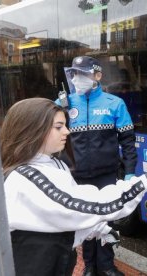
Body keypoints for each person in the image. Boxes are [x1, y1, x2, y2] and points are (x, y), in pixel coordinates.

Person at [0, 98, 147, 276]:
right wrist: (142, 183)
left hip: (52, 263)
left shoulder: (53, 163)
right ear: (33, 129)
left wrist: (100, 229)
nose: (67, 131)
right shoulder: (25, 178)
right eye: (59, 127)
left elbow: (64, 217)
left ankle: (104, 266)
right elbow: (81, 207)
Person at [57, 56, 138, 276]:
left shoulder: (115, 104)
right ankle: (89, 266)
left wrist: (130, 173)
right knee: (83, 223)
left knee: (106, 222)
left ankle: (107, 266)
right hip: (75, 177)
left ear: (98, 75)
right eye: (74, 74)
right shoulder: (64, 104)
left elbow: (128, 142)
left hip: (106, 176)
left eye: (83, 74)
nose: (77, 79)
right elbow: (49, 136)